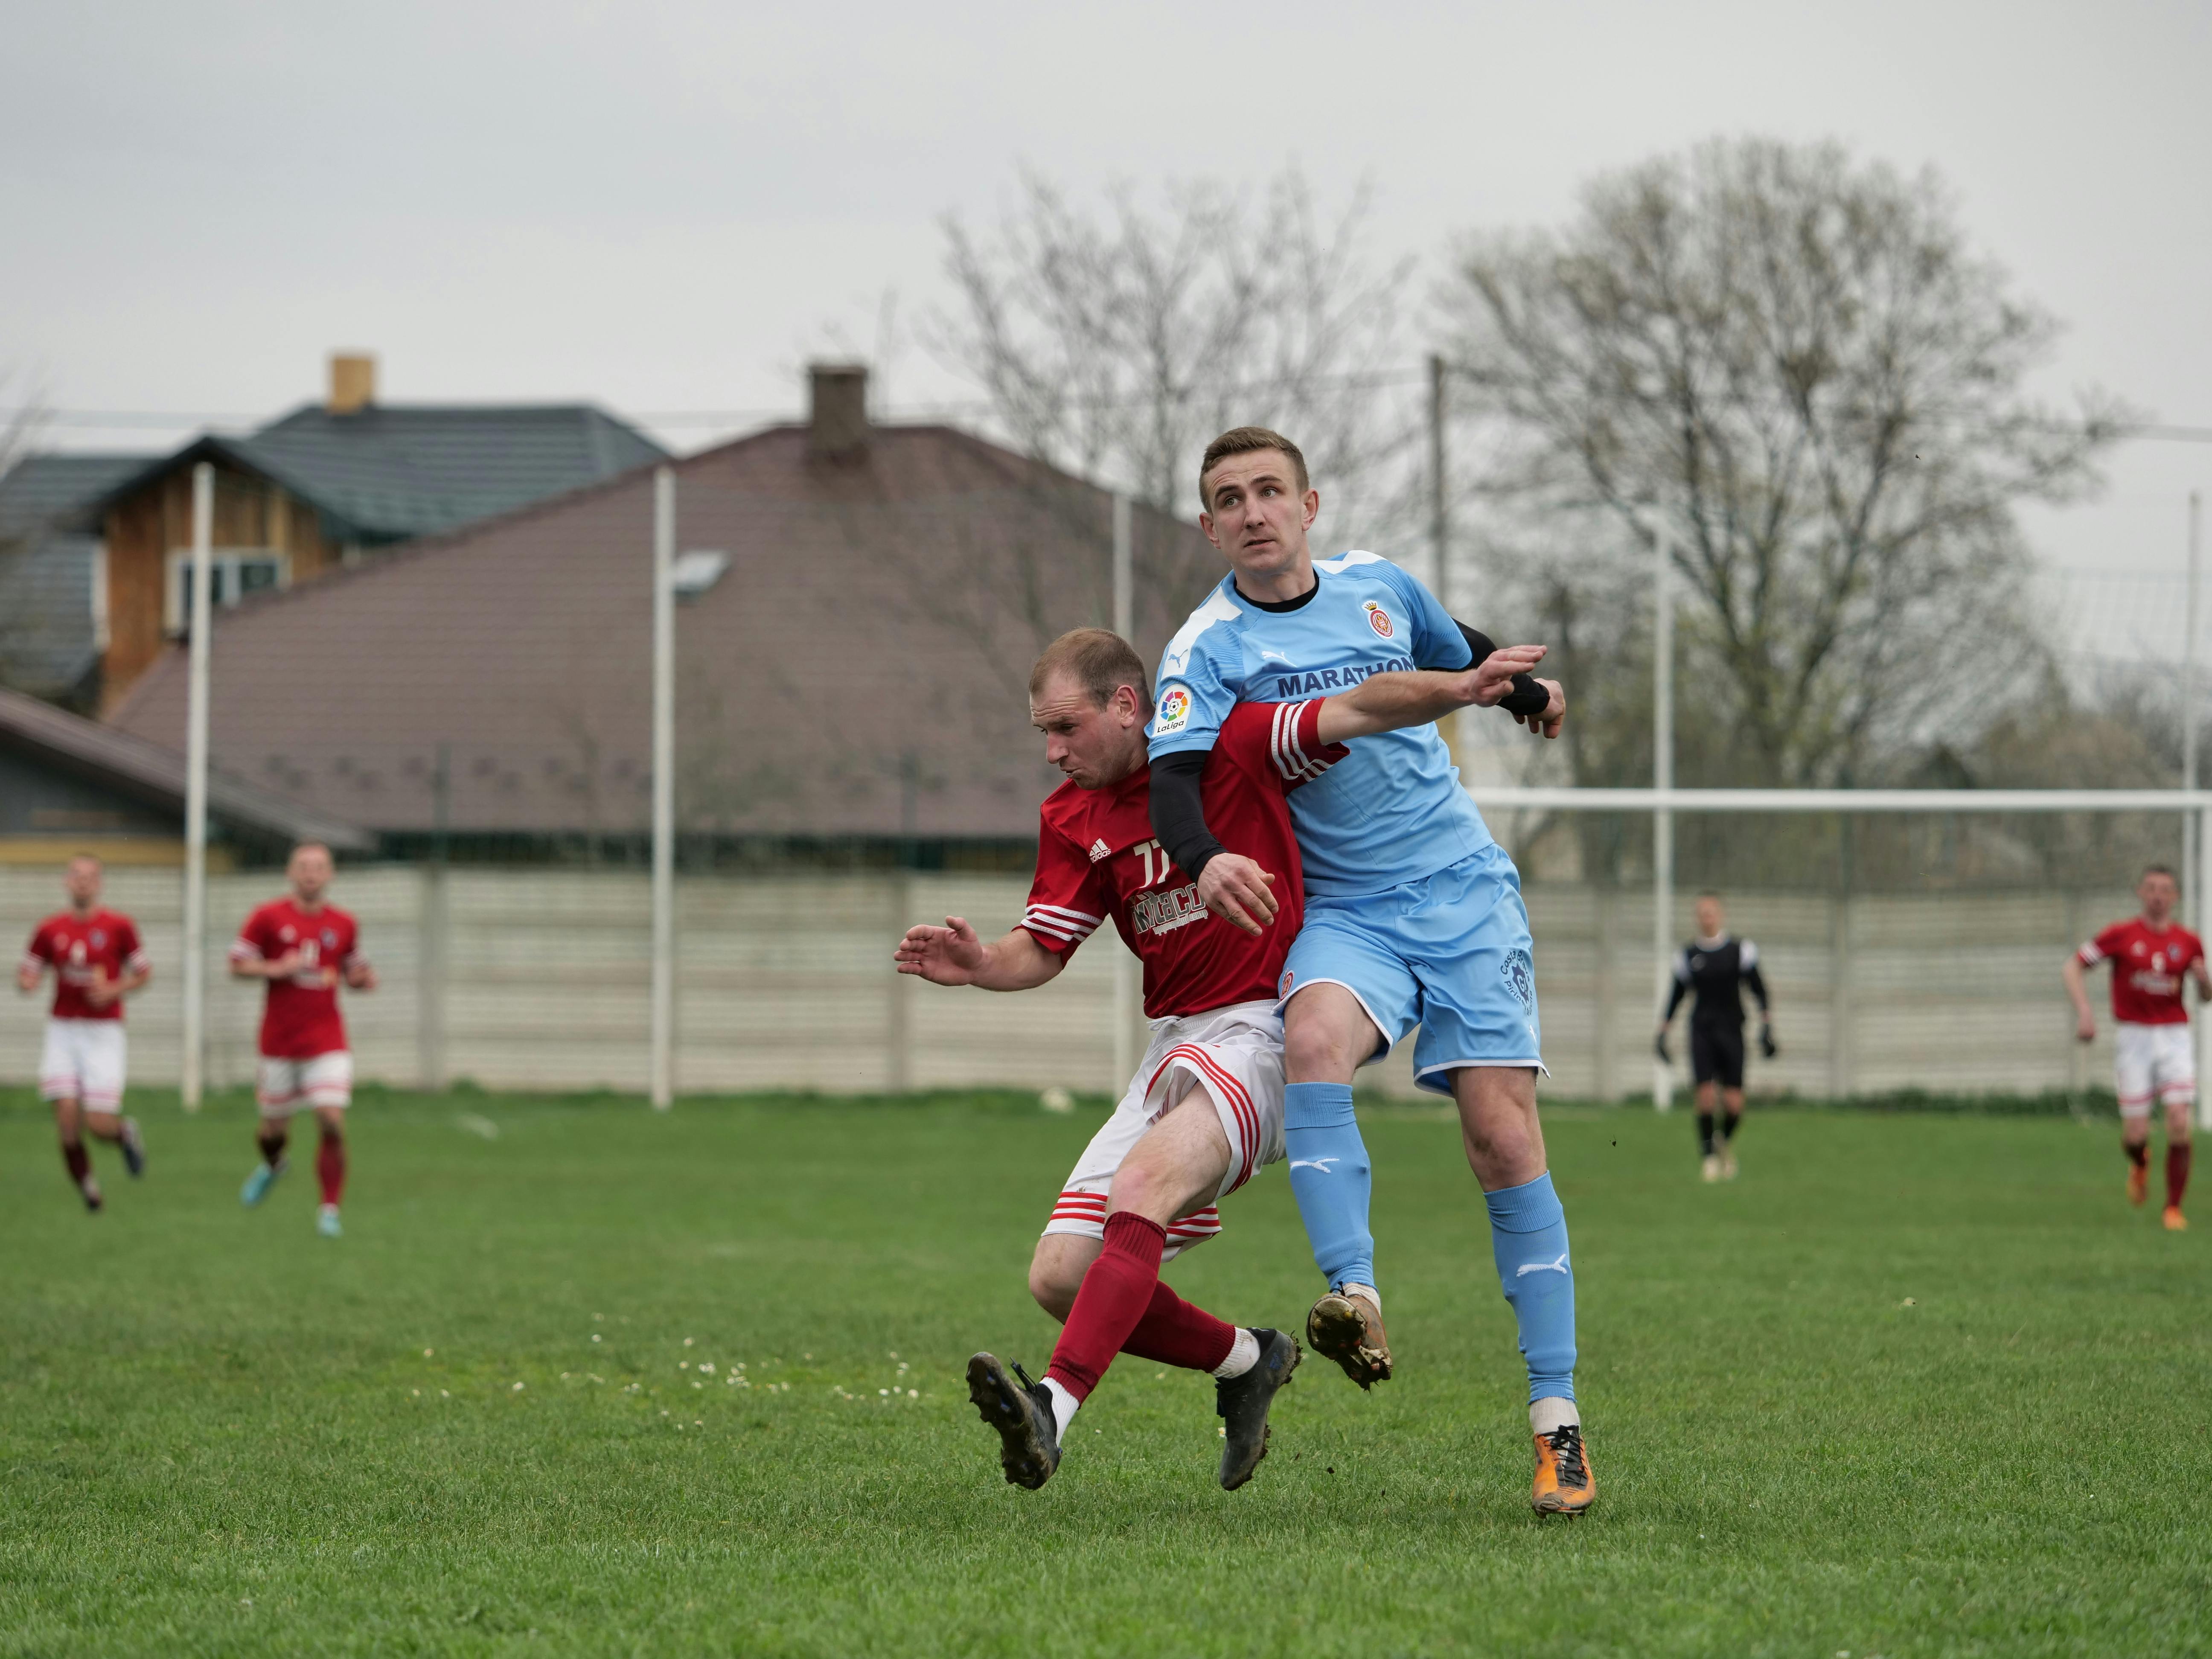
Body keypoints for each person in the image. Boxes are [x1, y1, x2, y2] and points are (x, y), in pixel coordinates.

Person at [896, 627, 1540, 1492]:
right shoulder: (1070, 816)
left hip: (1269, 1029)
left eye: (1065, 728)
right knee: (1060, 1276)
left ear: (1129, 707)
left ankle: (1052, 1407)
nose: (1052, 752)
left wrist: (1467, 684)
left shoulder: (1225, 746)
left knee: (1143, 1188)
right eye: (1041, 735)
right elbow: (1043, 947)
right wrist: (980, 966)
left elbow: (1351, 705)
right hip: (1176, 1047)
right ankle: (1247, 1362)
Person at [1145, 425, 1595, 1515]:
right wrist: (1202, 862)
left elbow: (1453, 648)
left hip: (1463, 891)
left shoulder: (1380, 585)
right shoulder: (1203, 647)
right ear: (1209, 529)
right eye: (1227, 499)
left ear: (1309, 505)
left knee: (1500, 1139)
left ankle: (1557, 1426)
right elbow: (1173, 775)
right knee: (1309, 1041)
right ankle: (1352, 1292)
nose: (1251, 510)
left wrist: (1523, 693)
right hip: (1344, 910)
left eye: (1268, 490)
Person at [229, 841, 376, 1237]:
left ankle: (329, 1209)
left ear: (330, 875)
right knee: (271, 1133)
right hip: (278, 1042)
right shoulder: (267, 917)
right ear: (291, 874)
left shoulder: (345, 923)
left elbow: (355, 969)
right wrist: (277, 968)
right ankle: (274, 1165)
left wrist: (363, 980)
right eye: (304, 867)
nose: (311, 874)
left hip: (327, 1040)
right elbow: (237, 964)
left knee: (330, 1119)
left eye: (319, 867)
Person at [2064, 864, 2206, 1230]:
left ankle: (2173, 1209)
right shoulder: (2121, 935)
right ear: (2141, 893)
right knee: (2135, 1135)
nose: (2158, 896)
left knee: (2179, 1122)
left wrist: (2206, 982)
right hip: (2134, 1038)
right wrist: (2084, 1012)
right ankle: (2140, 1163)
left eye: (2165, 890)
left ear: (2175, 897)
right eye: (2152, 888)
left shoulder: (2189, 941)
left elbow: (2206, 997)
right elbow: (2073, 967)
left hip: (2174, 1036)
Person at [17, 853, 151, 1211]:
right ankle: (90, 1191)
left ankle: (124, 1135)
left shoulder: (118, 926)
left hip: (103, 1032)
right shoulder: (50, 929)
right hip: (63, 1030)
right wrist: (28, 982)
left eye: (90, 876)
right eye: (76, 875)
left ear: (100, 884)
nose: (83, 882)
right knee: (66, 1118)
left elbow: (142, 972)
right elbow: (28, 970)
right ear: (66, 881)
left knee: (98, 1124)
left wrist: (113, 990)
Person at [1655, 891, 1775, 1181]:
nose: (1707, 917)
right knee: (1706, 1096)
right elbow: (1677, 995)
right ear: (1698, 917)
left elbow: (1759, 990)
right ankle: (1709, 1158)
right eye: (1702, 913)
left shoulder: (1740, 951)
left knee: (1734, 1104)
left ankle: (1721, 1142)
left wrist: (1767, 1026)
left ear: (1720, 914)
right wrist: (1663, 1031)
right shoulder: (1687, 956)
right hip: (1702, 1032)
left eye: (1711, 912)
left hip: (1733, 1030)